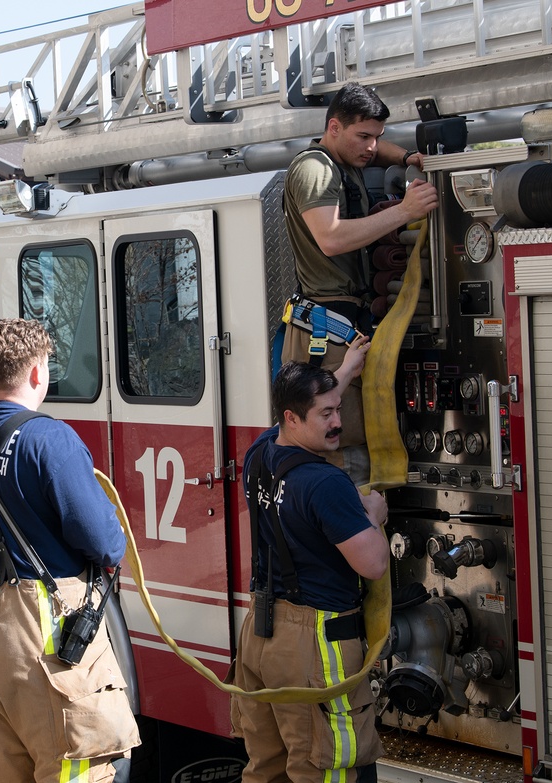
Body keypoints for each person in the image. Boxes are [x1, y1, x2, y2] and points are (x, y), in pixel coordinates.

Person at [0, 318, 139, 783]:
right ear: (36, 372)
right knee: (74, 768)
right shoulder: (51, 439)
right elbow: (105, 543)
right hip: (43, 632)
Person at [230, 361, 390, 783]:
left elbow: (295, 409)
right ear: (292, 417)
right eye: (326, 414)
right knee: (330, 768)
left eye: (339, 409)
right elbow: (373, 565)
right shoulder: (325, 483)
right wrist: (373, 515)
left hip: (260, 638)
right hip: (316, 646)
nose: (338, 423)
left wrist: (344, 373)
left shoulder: (260, 453)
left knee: (267, 769)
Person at [281, 81, 439, 480]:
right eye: (363, 137)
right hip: (328, 332)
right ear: (334, 127)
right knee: (342, 440)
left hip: (345, 325)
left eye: (377, 137)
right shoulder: (315, 170)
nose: (371, 148)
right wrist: (405, 210)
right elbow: (331, 237)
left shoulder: (344, 155)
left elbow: (372, 143)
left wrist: (406, 156)